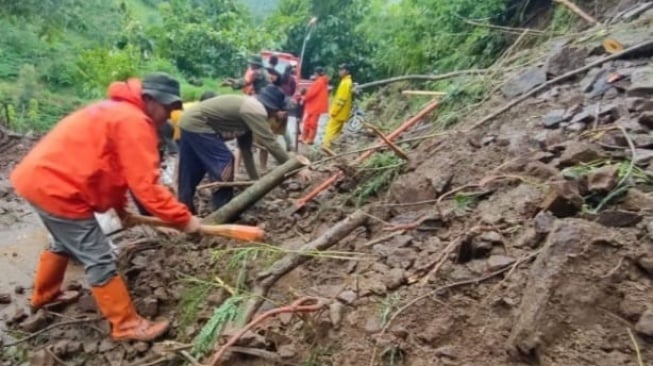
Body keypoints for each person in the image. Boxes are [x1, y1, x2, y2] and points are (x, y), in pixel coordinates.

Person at [10, 72, 202, 342]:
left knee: (65, 242)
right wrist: (183, 219)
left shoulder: (116, 112)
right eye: (167, 108)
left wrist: (120, 210)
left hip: (39, 180)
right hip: (58, 189)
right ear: (148, 99)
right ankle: (125, 325)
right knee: (98, 256)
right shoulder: (134, 122)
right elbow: (146, 186)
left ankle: (45, 295)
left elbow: (112, 172)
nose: (168, 116)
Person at [177, 85, 298, 214]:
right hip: (198, 123)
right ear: (273, 108)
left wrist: (256, 183)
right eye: (279, 111)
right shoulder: (256, 110)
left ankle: (184, 208)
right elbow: (270, 143)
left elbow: (246, 152)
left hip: (188, 121)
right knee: (225, 163)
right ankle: (223, 210)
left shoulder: (248, 113)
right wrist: (295, 167)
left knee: (193, 168)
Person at [322, 63, 354, 149]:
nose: (340, 71)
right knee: (336, 133)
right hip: (342, 114)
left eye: (342, 70)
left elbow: (341, 100)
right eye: (340, 69)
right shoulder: (346, 81)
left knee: (330, 131)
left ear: (347, 71)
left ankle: (326, 148)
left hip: (338, 114)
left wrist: (333, 111)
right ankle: (332, 148)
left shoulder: (345, 83)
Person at [301, 67, 329, 145]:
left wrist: (304, 97)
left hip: (315, 106)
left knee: (311, 123)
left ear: (316, 73)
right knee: (309, 122)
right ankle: (305, 138)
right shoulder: (322, 82)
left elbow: (311, 93)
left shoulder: (319, 82)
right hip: (316, 106)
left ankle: (309, 139)